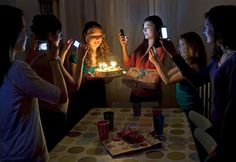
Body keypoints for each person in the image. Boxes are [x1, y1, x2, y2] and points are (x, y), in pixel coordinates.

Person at [160, 5, 236, 162]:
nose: (204, 30)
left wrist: (223, 142)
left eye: (207, 26)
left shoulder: (234, 61)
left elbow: (232, 108)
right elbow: (197, 80)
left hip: (227, 134)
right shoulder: (218, 58)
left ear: (219, 28)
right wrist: (174, 54)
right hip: (217, 128)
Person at [0, 5, 68, 162]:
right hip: (28, 156)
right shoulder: (18, 69)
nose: (28, 36)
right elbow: (62, 97)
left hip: (7, 154)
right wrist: (54, 59)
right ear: (11, 34)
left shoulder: (13, 69)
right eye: (23, 30)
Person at [26, 14, 84, 151]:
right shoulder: (50, 59)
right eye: (59, 35)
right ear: (52, 36)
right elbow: (74, 86)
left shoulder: (34, 53)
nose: (61, 38)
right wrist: (81, 57)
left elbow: (56, 73)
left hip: (41, 115)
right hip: (54, 118)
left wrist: (61, 53)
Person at [149, 31, 207, 115]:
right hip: (185, 107)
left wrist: (155, 62)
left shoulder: (192, 67)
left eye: (181, 45)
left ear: (190, 48)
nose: (179, 48)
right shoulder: (185, 63)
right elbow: (168, 74)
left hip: (191, 109)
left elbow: (167, 81)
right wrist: (157, 59)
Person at [68, 21, 110, 128]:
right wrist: (86, 78)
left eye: (100, 36)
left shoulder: (102, 54)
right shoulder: (76, 56)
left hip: (99, 96)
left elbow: (106, 79)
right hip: (83, 99)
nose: (97, 39)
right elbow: (73, 84)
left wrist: (108, 76)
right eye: (93, 36)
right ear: (85, 36)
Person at [118, 15, 166, 106]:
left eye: (147, 27)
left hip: (151, 97)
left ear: (157, 29)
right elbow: (128, 62)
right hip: (135, 95)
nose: (144, 30)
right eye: (143, 28)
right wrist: (124, 46)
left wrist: (133, 76)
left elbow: (155, 75)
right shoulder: (142, 46)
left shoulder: (160, 50)